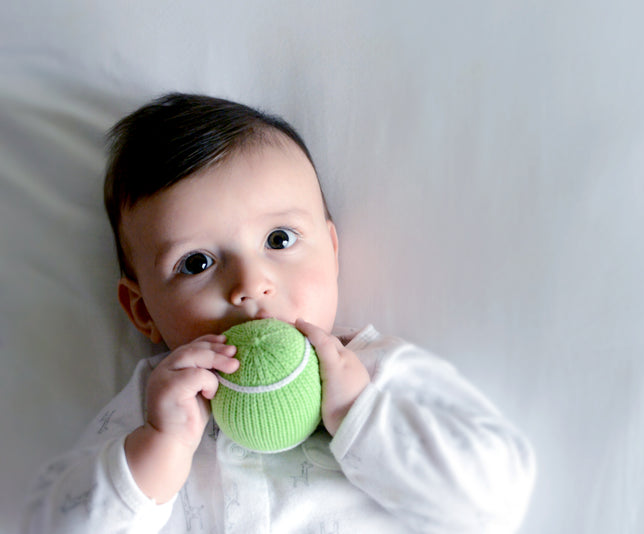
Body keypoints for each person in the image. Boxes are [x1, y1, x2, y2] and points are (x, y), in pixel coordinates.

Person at [23, 93, 535, 533]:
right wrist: (159, 451)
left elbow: (497, 500)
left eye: (279, 239)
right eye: (197, 262)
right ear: (142, 310)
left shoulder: (378, 374)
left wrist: (359, 412)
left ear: (332, 251)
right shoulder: (155, 404)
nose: (249, 285)